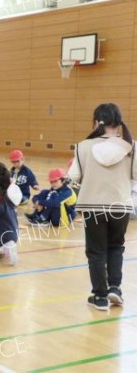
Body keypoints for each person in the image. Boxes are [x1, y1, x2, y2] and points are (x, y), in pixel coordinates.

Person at [68, 102, 136, 311]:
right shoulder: (131, 146)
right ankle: (115, 288)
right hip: (120, 205)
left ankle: (99, 296)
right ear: (118, 122)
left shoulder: (83, 146)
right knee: (116, 247)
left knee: (96, 251)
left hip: (92, 206)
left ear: (97, 122)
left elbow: (73, 177)